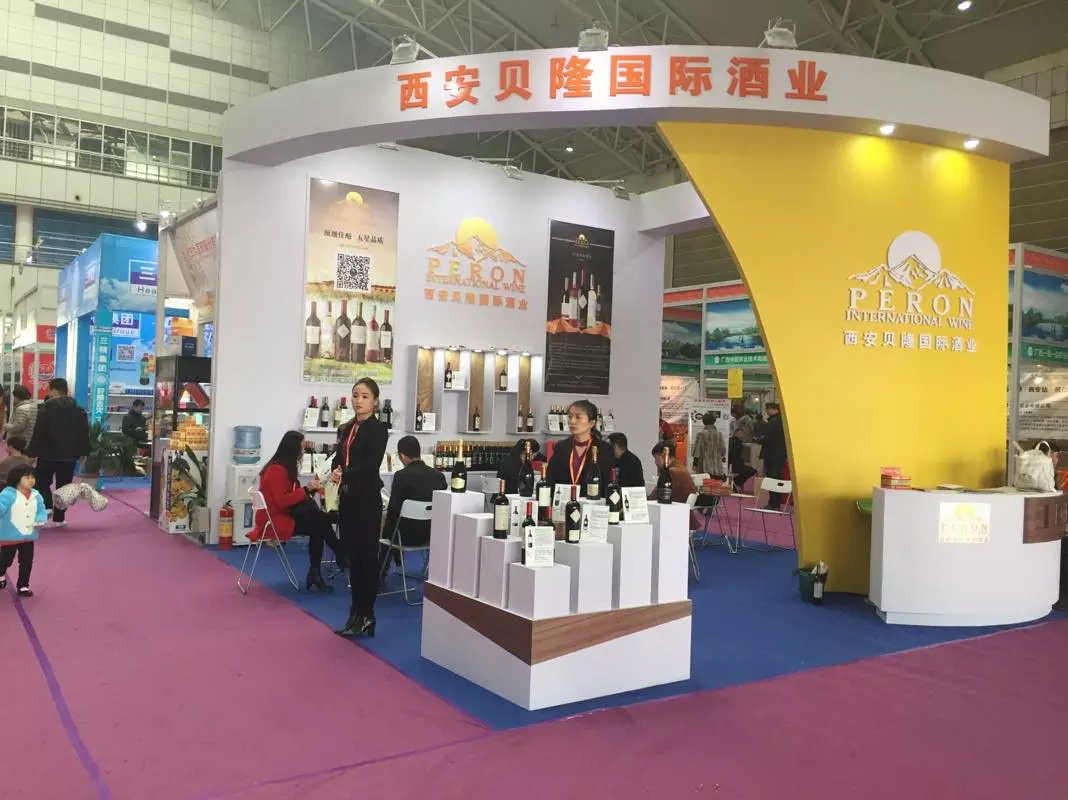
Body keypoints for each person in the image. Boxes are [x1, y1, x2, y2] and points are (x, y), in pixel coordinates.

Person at [253, 430, 347, 592]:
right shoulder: (277, 471)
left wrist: (308, 490)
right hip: (274, 520)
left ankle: (323, 566)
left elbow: (288, 495)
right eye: (302, 447)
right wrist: (306, 489)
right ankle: (337, 556)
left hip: (280, 515)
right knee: (320, 522)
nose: (304, 451)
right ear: (293, 449)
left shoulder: (281, 467)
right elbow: (281, 501)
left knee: (319, 523)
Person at [332, 378, 388, 638]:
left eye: (365, 396)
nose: (358, 401)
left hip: (366, 500)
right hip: (348, 499)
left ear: (375, 401)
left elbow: (369, 465)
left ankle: (367, 613)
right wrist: (336, 470)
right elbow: (339, 457)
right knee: (353, 560)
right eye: (355, 395)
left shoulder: (378, 430)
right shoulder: (347, 429)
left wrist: (345, 474)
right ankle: (355, 612)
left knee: (367, 559)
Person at [381, 436, 446, 579]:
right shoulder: (439, 476)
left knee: (386, 525)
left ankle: (381, 572)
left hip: (405, 536)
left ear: (402, 456)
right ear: (419, 451)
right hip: (430, 534)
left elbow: (394, 510)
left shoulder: (401, 476)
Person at [27, 378, 90, 528]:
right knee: (64, 487)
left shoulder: (45, 410)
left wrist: (32, 453)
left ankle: (47, 506)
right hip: (69, 455)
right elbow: (83, 433)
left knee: (41, 481)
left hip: (47, 453)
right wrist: (84, 452)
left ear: (54, 391)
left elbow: (38, 433)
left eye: (49, 390)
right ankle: (59, 518)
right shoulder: (79, 411)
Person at [0, 465, 48, 597]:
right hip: (9, 536)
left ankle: (23, 585)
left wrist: (41, 520)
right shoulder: (7, 494)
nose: (31, 480)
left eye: (32, 477)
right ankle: (0, 574)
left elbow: (41, 510)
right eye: (27, 477)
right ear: (16, 479)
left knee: (26, 562)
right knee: (5, 559)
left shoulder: (36, 495)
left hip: (28, 536)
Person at [546, 400, 615, 489]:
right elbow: (551, 478)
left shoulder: (604, 449)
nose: (572, 421)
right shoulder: (561, 447)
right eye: (570, 416)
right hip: (564, 496)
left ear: (591, 423)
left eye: (578, 417)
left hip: (592, 497)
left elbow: (607, 482)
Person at [759, 402, 788, 510]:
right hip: (780, 454)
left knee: (772, 478)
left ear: (771, 409)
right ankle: (776, 502)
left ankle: (773, 503)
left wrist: (761, 439)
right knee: (777, 477)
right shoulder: (782, 421)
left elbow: (766, 438)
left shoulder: (773, 422)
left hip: (772, 454)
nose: (766, 412)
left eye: (766, 409)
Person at [692, 411, 726, 477]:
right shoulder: (719, 434)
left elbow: (697, 452)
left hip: (704, 466)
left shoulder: (701, 434)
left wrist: (694, 464)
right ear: (714, 421)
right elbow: (723, 451)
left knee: (704, 482)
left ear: (703, 422)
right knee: (715, 483)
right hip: (717, 467)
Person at [728, 429, 757, 493]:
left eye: (742, 434)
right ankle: (738, 484)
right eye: (740, 434)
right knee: (752, 470)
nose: (742, 435)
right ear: (735, 433)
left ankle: (737, 484)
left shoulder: (730, 441)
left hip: (732, 465)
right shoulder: (737, 443)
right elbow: (736, 457)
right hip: (736, 466)